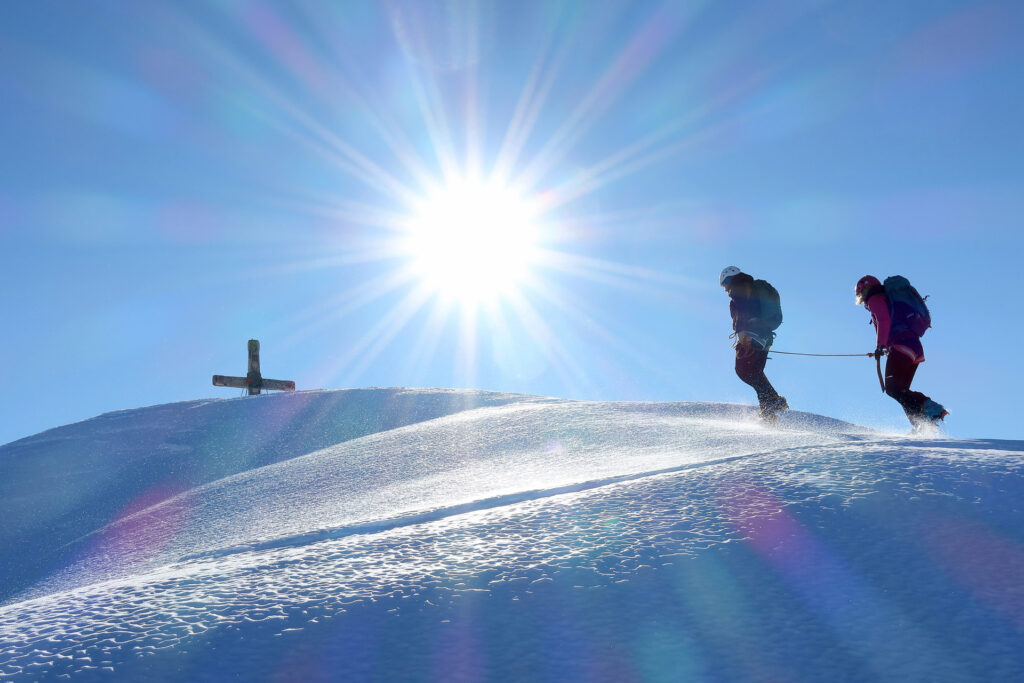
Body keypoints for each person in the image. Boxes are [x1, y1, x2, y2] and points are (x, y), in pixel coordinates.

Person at [855, 275, 947, 429]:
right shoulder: (887, 299)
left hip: (902, 346)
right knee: (901, 392)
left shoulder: (875, 299)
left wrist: (880, 346)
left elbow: (884, 320)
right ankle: (921, 425)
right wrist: (884, 347)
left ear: (863, 290)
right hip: (913, 347)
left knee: (893, 389)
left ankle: (930, 407)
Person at [720, 266, 788, 422]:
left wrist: (743, 332)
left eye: (725, 284)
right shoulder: (752, 286)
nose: (725, 289)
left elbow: (744, 309)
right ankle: (769, 410)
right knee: (754, 372)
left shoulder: (739, 287)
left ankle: (771, 403)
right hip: (765, 336)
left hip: (752, 336)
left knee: (744, 371)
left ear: (730, 278)